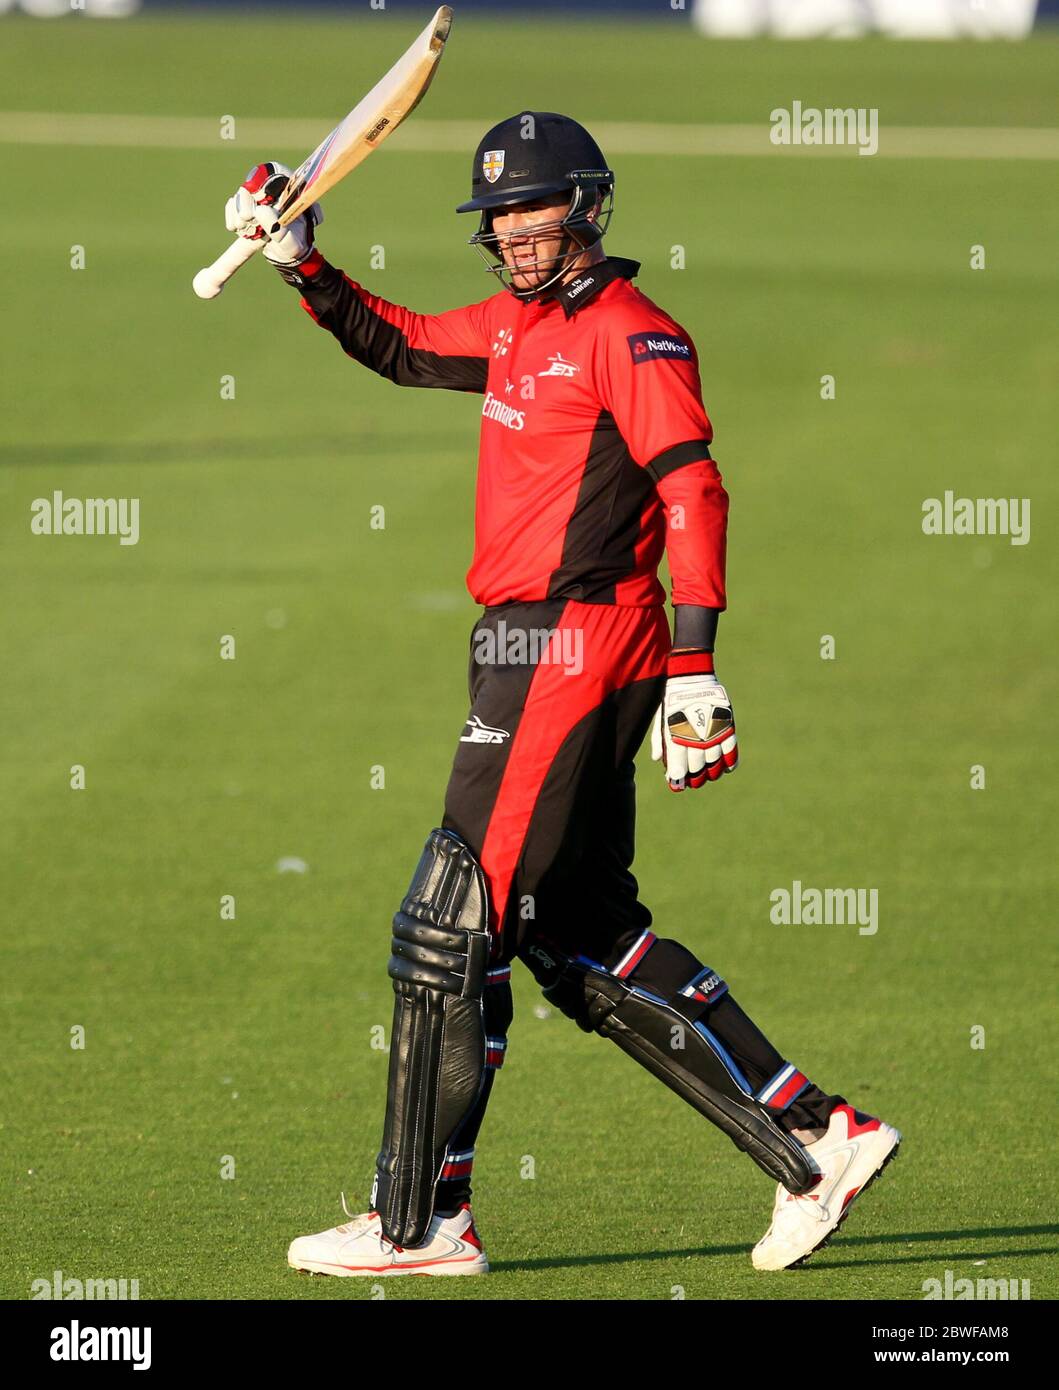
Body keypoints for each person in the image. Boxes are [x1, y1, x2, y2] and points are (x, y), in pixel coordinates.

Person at [225, 111, 900, 1278]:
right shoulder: (514, 324)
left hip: (575, 640)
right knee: (575, 929)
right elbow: (402, 344)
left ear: (588, 207)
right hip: (527, 643)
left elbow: (695, 490)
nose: (514, 231)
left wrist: (699, 668)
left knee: (453, 912)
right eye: (498, 216)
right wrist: (302, 261)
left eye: (533, 209)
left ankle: (423, 1221)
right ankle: (814, 1133)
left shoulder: (633, 336)